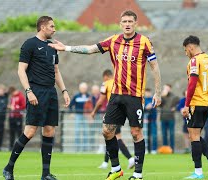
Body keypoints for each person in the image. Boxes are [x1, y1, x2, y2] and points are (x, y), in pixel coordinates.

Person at [49, 10, 162, 180]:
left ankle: (138, 174)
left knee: (136, 133)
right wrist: (66, 48)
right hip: (116, 95)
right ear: (120, 24)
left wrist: (157, 92)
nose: (127, 24)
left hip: (134, 96)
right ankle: (116, 168)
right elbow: (90, 49)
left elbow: (154, 67)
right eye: (124, 21)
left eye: (130, 21)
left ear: (135, 23)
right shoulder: (113, 40)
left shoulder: (144, 42)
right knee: (107, 131)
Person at [2, 16, 70, 180]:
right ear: (43, 27)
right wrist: (29, 91)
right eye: (52, 26)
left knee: (49, 131)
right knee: (30, 132)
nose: (54, 29)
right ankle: (8, 168)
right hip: (36, 91)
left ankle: (45, 174)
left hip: (51, 92)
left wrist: (64, 91)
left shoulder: (52, 46)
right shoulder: (30, 44)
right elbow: (21, 70)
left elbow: (56, 71)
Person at [181, 35, 208, 179]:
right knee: (195, 134)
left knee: (194, 136)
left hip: (196, 103)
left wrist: (186, 104)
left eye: (186, 50)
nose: (186, 53)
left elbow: (192, 83)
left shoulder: (195, 61)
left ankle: (198, 172)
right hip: (207, 103)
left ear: (191, 47)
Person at [91, 69, 135, 170]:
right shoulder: (118, 81)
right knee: (111, 136)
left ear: (105, 76)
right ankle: (106, 162)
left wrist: (93, 112)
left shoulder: (105, 83)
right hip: (123, 110)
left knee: (113, 137)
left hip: (113, 112)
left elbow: (101, 101)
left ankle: (129, 158)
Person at [69, 82, 90, 152]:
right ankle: (77, 149)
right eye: (82, 88)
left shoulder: (89, 96)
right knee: (77, 132)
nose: (83, 89)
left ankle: (85, 149)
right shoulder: (76, 96)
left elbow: (92, 105)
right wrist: (71, 113)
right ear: (80, 88)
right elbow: (70, 105)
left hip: (86, 116)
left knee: (86, 132)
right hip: (78, 115)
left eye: (85, 88)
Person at [160, 84, 179, 152]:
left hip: (171, 117)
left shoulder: (174, 97)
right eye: (164, 88)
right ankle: (165, 149)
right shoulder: (162, 96)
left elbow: (179, 104)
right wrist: (162, 96)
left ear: (170, 89)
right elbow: (159, 105)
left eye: (167, 88)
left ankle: (172, 149)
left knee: (171, 134)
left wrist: (175, 108)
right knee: (164, 134)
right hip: (163, 117)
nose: (165, 89)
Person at [7, 86, 26, 150]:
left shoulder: (21, 96)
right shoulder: (12, 97)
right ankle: (11, 146)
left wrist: (15, 108)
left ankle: (19, 147)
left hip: (18, 117)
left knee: (19, 132)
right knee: (11, 132)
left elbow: (23, 106)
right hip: (12, 116)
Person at [144, 88, 158, 154]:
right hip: (145, 121)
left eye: (149, 92)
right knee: (145, 136)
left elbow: (156, 104)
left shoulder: (154, 99)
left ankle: (154, 149)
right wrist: (145, 107)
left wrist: (151, 106)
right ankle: (146, 149)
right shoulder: (143, 99)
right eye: (146, 92)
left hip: (153, 120)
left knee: (154, 135)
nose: (148, 94)